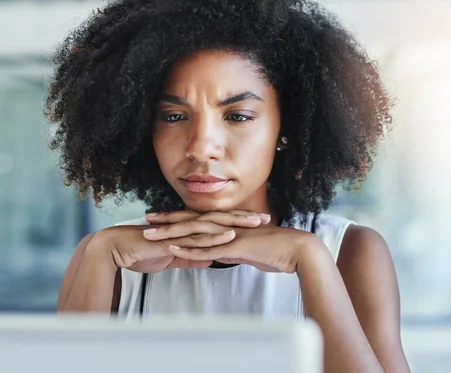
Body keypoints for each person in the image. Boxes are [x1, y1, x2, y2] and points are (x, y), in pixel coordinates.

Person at [46, 0, 410, 372]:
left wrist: (310, 259)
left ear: (287, 127)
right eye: (173, 116)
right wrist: (102, 254)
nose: (202, 147)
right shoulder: (107, 256)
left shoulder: (348, 252)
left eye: (237, 116)